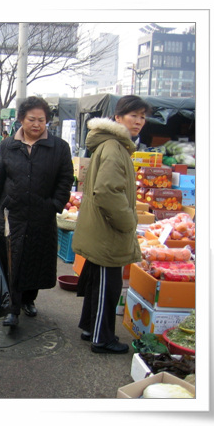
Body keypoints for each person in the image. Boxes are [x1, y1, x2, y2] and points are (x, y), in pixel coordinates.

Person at [72, 95, 151, 354]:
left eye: (142, 117)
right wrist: (128, 222)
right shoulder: (115, 148)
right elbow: (106, 191)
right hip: (108, 232)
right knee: (108, 286)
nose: (139, 122)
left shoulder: (112, 145)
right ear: (118, 118)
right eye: (133, 116)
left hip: (101, 229)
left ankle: (89, 328)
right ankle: (102, 338)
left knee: (97, 282)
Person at [0, 96, 74, 327]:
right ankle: (12, 308)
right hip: (12, 213)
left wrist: (54, 205)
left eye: (41, 120)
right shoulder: (8, 145)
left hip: (42, 213)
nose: (36, 124)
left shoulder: (59, 147)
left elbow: (65, 180)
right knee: (13, 258)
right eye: (31, 119)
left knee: (35, 257)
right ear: (21, 120)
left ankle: (28, 299)